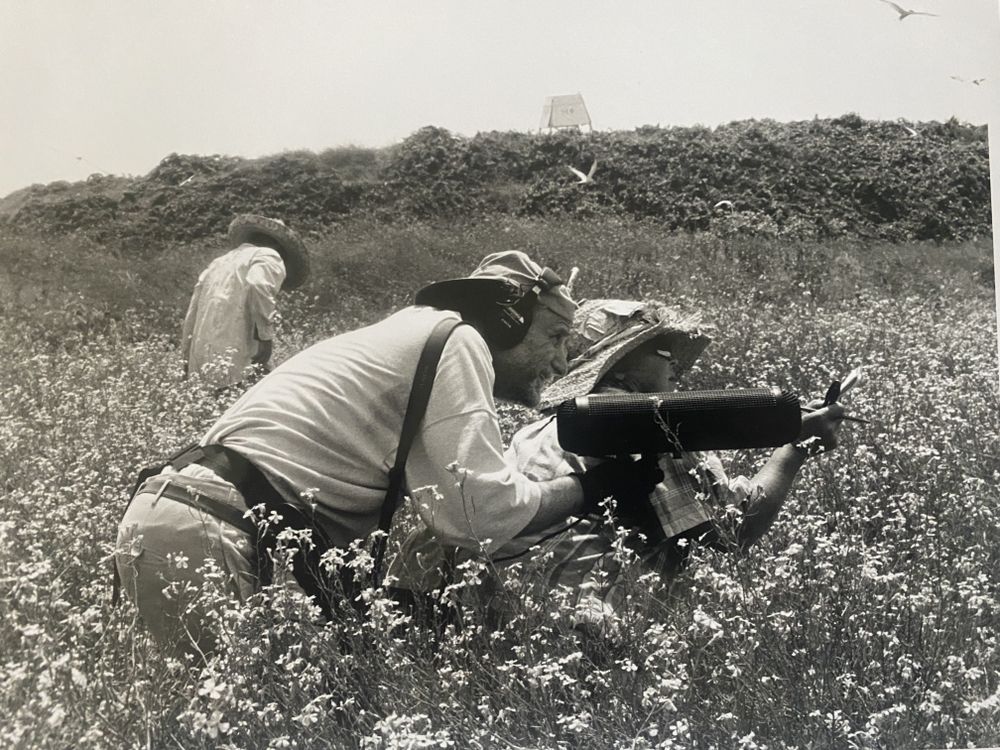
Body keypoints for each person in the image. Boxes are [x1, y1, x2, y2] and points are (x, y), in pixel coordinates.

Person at [115, 254, 662, 655]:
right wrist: (597, 486)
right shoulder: (458, 340)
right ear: (507, 320)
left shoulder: (410, 336)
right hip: (218, 533)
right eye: (557, 336)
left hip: (182, 517)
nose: (563, 361)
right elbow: (480, 517)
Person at [388, 298, 847, 632]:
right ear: (620, 366)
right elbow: (733, 532)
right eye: (663, 352)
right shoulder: (648, 428)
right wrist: (796, 450)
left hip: (508, 630)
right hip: (596, 638)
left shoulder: (541, 430)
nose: (677, 368)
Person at [181, 214, 310, 388]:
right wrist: (265, 338)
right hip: (239, 353)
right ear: (279, 246)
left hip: (204, 357)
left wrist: (186, 358)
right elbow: (258, 285)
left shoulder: (218, 262)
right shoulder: (269, 255)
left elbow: (193, 311)